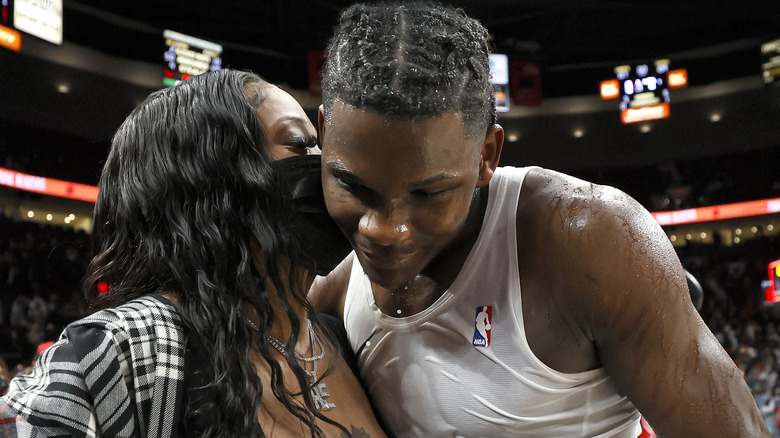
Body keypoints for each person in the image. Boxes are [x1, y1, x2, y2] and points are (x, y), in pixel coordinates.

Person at [309, 2, 769, 437]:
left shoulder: (589, 241)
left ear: (487, 155)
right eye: (354, 187)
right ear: (324, 135)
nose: (385, 230)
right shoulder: (328, 288)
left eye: (428, 193)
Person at [0, 69, 386, 437]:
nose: (329, 167)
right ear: (216, 185)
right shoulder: (122, 349)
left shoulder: (344, 335)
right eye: (300, 145)